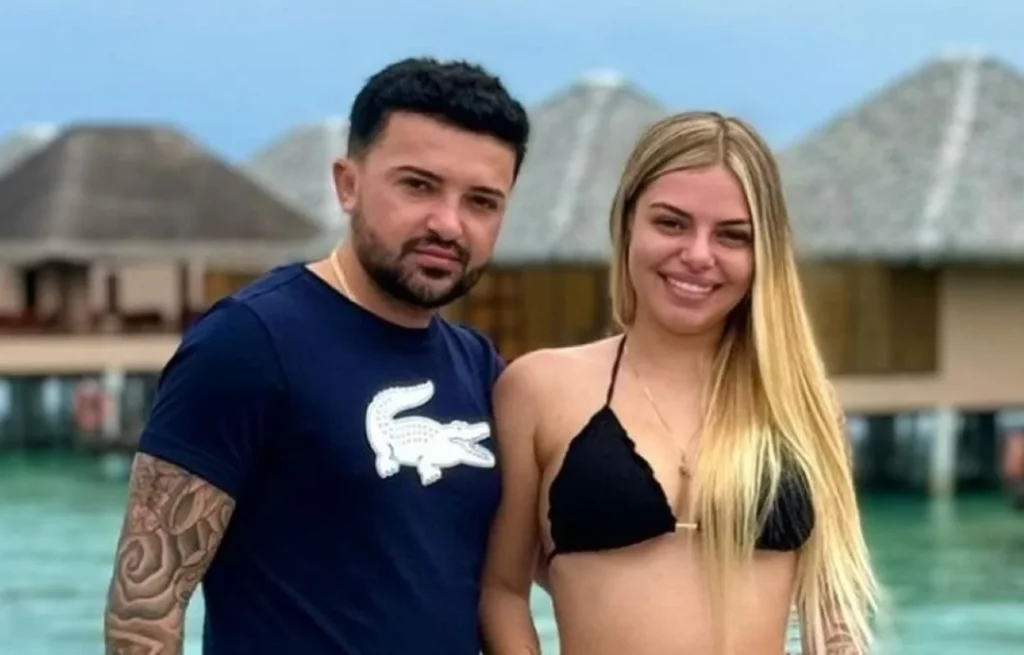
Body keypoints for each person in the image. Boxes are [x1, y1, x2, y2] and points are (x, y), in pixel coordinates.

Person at [103, 56, 530, 654]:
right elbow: (145, 605)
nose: (448, 224)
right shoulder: (250, 341)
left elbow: (520, 577)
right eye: (418, 185)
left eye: (481, 202)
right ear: (347, 184)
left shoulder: (479, 367)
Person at [480, 111, 880, 654]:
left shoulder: (801, 403)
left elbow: (831, 610)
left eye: (732, 236)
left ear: (763, 252)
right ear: (626, 223)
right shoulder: (539, 388)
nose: (697, 255)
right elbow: (501, 591)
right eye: (671, 224)